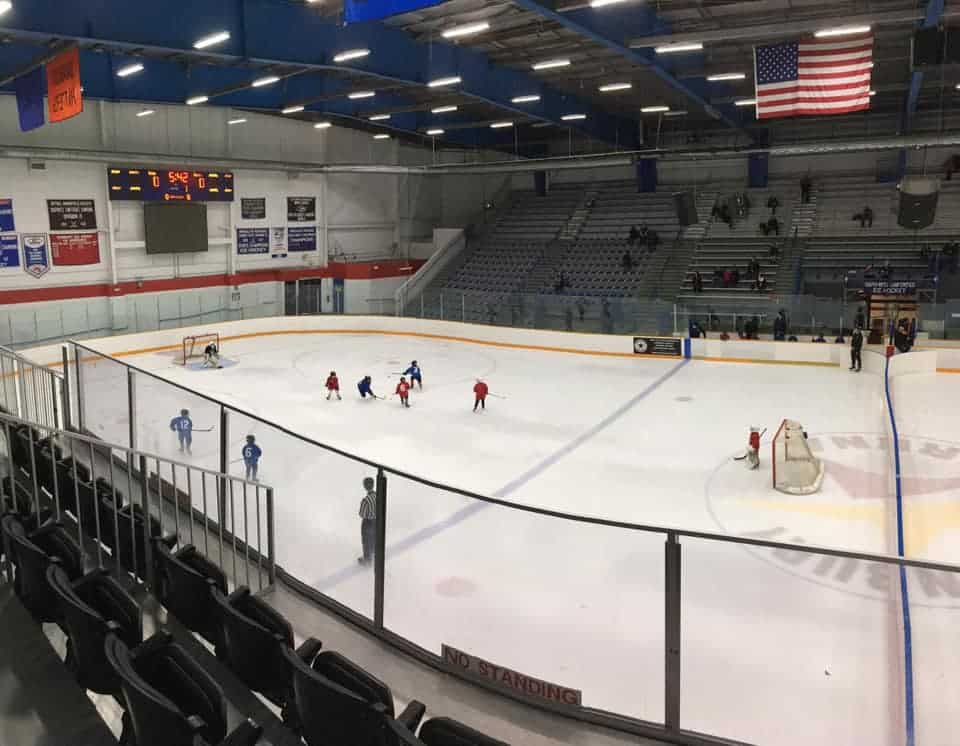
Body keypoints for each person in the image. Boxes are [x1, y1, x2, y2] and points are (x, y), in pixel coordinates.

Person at [357, 476, 377, 566]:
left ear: (365, 486)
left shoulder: (365, 500)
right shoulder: (378, 495)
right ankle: (373, 553)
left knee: (366, 540)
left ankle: (367, 559)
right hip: (376, 521)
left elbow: (361, 514)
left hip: (368, 522)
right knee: (373, 537)